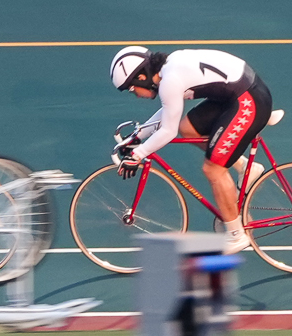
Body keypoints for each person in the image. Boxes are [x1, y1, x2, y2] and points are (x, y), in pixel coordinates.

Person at [110, 45, 274, 255]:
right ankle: (244, 167)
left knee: (213, 169)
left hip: (248, 101)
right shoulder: (169, 70)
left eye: (132, 89)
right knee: (188, 129)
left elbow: (167, 131)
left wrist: (138, 154)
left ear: (142, 77)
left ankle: (236, 235)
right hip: (238, 95)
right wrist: (137, 137)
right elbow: (169, 111)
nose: (136, 95)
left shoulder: (169, 80)